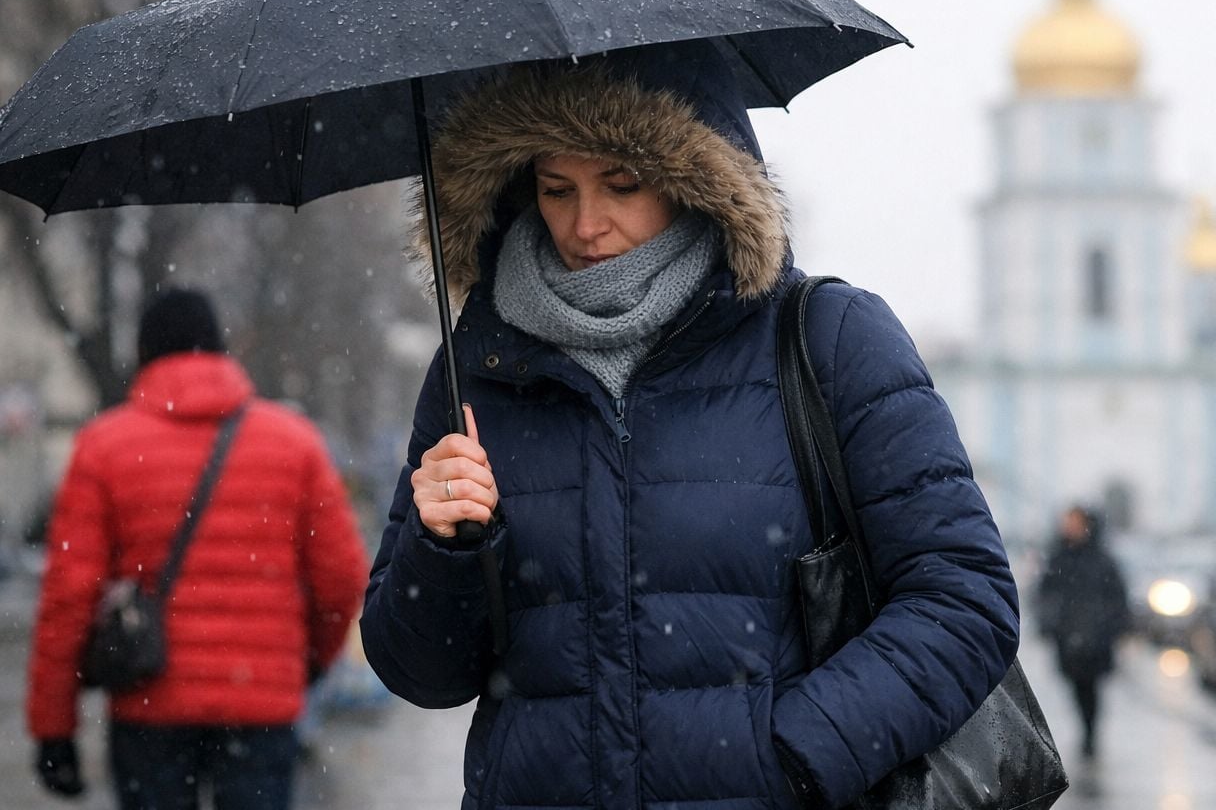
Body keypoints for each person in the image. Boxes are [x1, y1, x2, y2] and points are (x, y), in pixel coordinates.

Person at [360, 41, 1021, 810]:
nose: (585, 224)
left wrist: (793, 751)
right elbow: (421, 672)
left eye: (622, 181)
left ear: (694, 177)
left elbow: (962, 599)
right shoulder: (477, 367)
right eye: (554, 186)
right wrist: (442, 548)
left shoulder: (827, 340)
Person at [27, 287, 369, 809]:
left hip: (148, 707)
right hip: (262, 709)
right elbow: (342, 577)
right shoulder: (295, 443)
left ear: (144, 355)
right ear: (219, 350)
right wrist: (310, 663)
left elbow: (68, 596)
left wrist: (54, 727)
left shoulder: (103, 447)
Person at [1034, 504, 1130, 760]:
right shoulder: (1059, 557)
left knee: (1092, 688)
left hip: (1096, 637)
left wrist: (1114, 628)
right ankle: (1086, 730)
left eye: (1075, 522)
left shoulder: (1102, 560)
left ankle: (1090, 734)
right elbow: (1045, 594)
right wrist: (1048, 625)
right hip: (1068, 637)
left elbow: (1117, 597)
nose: (1071, 527)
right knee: (1076, 687)